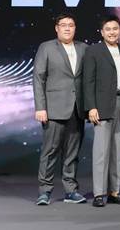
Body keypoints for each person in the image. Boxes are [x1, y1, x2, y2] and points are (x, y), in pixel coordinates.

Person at [82, 15, 120, 207]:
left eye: (115, 28)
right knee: (101, 151)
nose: (112, 32)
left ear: (119, 30)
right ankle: (99, 194)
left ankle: (114, 192)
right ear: (102, 32)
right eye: (108, 29)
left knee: (117, 152)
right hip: (102, 105)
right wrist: (91, 107)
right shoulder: (93, 51)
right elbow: (88, 81)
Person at [33, 13, 88, 205]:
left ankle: (71, 191)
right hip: (54, 108)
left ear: (75, 28)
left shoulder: (84, 48)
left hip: (77, 109)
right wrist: (40, 107)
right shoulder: (46, 47)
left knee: (72, 153)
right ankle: (44, 191)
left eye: (71, 25)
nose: (67, 28)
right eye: (63, 25)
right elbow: (38, 78)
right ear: (57, 28)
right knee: (50, 152)